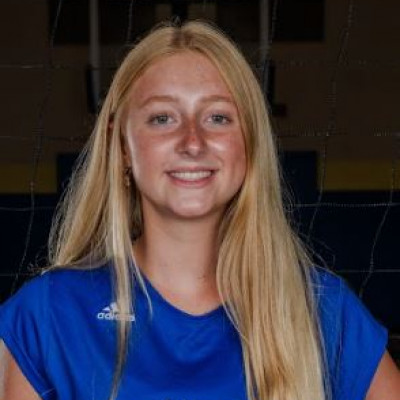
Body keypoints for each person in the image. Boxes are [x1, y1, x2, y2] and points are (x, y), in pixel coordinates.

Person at [0, 20, 399, 400]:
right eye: (162, 118)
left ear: (250, 142)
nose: (192, 142)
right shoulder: (48, 314)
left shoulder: (321, 310)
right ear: (121, 145)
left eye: (217, 117)